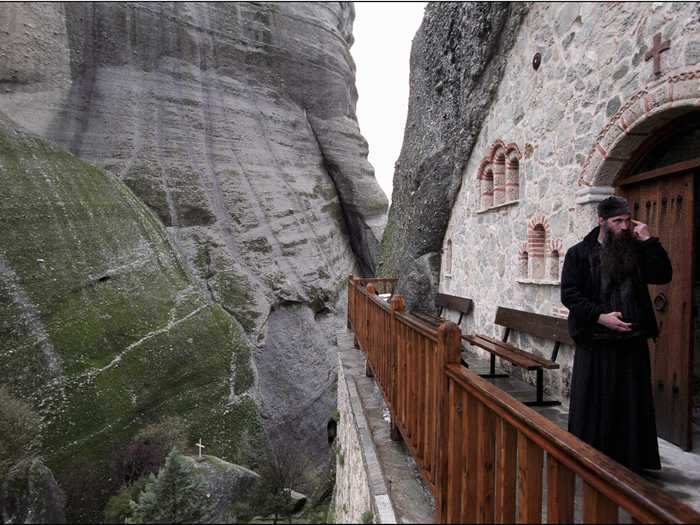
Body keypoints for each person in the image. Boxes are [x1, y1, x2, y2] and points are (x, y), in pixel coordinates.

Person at [561, 195, 672, 473]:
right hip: (595, 342)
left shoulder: (635, 250)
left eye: (626, 220)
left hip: (631, 341)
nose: (624, 226)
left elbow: (662, 274)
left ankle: (631, 462)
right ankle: (589, 460)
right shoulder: (579, 253)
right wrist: (601, 317)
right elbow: (570, 295)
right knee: (595, 404)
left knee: (631, 405)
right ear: (601, 221)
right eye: (617, 221)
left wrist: (649, 241)